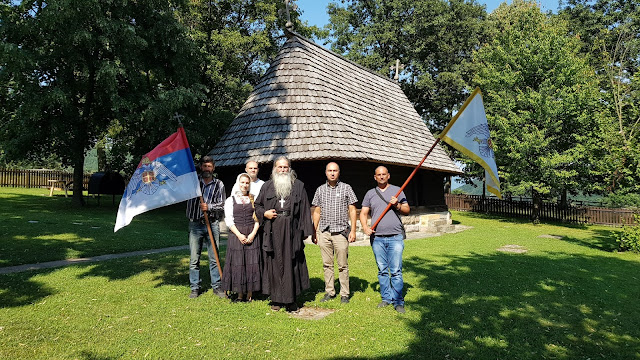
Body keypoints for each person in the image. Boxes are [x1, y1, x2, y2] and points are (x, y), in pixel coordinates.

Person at [254, 156, 313, 312]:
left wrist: (305, 231)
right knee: (274, 264)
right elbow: (257, 205)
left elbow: (305, 209)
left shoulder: (298, 186)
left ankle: (291, 300)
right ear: (274, 168)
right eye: (279, 167)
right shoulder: (267, 186)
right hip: (272, 230)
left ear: (289, 169)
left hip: (292, 230)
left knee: (292, 262)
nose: (282, 170)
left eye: (285, 167)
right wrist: (264, 213)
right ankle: (276, 299)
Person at [360, 166, 410, 313]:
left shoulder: (397, 190)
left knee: (395, 270)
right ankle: (386, 298)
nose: (381, 177)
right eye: (378, 175)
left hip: (395, 237)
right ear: (375, 177)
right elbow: (363, 213)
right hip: (377, 238)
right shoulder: (370, 194)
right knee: (382, 270)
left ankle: (398, 301)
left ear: (388, 176)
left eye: (384, 174)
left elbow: (407, 210)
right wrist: (365, 227)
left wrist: (397, 205)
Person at [311, 162, 357, 304]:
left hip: (341, 232)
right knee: (327, 264)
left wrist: (353, 230)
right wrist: (314, 231)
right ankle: (330, 292)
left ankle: (344, 294)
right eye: (330, 171)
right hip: (324, 231)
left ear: (339, 172)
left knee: (342, 265)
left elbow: (352, 210)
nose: (332, 173)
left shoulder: (346, 188)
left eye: (335, 171)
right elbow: (317, 212)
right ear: (325, 172)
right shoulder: (320, 190)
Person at [186, 156, 226, 299]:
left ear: (213, 168)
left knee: (214, 257)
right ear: (200, 167)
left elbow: (222, 205)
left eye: (209, 166)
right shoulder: (192, 182)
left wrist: (208, 206)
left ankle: (216, 286)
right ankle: (195, 287)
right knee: (194, 258)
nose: (207, 169)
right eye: (204, 166)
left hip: (212, 224)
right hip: (195, 224)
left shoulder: (219, 184)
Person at [222, 173, 261, 302]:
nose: (244, 185)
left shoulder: (254, 199)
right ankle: (239, 294)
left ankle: (250, 294)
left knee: (251, 263)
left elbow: (257, 219)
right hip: (236, 234)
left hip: (251, 233)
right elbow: (229, 220)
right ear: (238, 183)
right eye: (242, 182)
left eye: (247, 183)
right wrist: (239, 235)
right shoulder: (230, 200)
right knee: (238, 263)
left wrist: (253, 234)